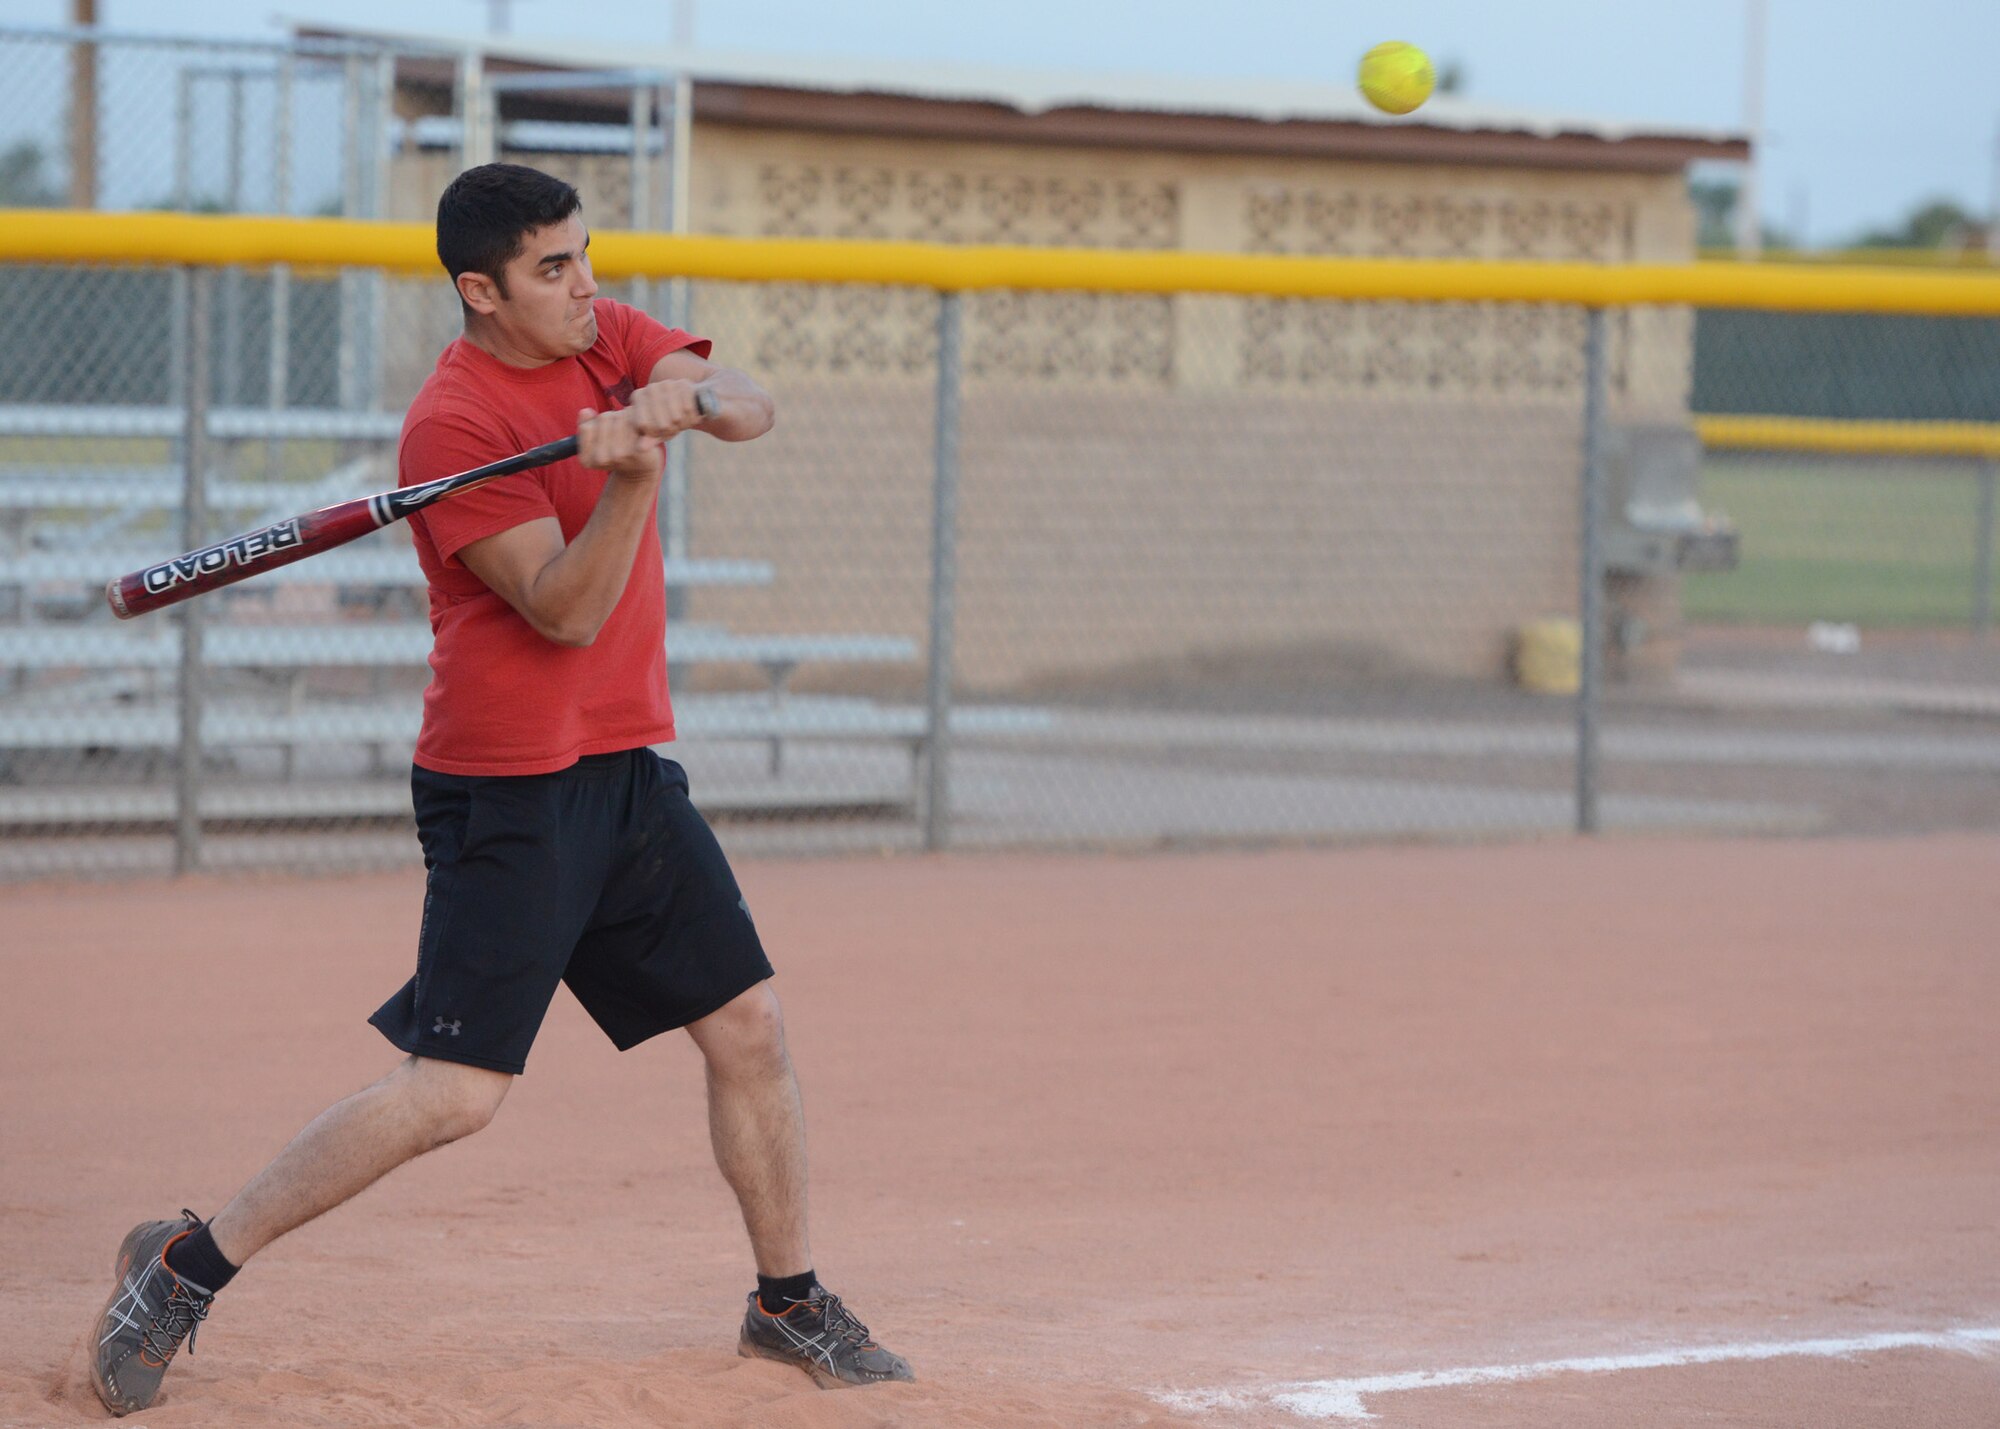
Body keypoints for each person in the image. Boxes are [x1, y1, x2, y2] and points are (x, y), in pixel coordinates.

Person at [88, 162, 912, 1417]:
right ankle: (180, 1269)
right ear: (479, 291)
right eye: (549, 268)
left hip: (627, 768)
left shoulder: (602, 336)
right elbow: (566, 610)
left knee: (748, 1027)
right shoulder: (454, 425)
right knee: (454, 1095)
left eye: (584, 256)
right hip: (509, 787)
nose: (583, 285)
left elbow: (748, 402)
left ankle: (785, 1299)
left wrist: (673, 399)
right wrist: (632, 475)